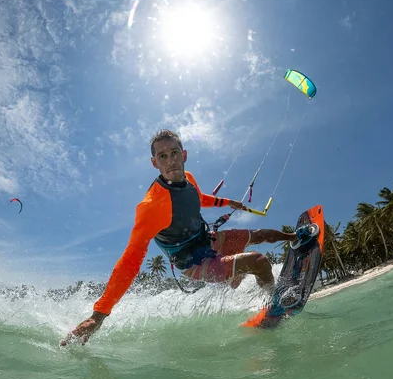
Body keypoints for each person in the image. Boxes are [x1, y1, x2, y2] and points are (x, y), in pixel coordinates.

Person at [60, 129, 304, 346]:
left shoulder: (190, 179)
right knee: (258, 261)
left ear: (184, 155)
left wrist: (227, 202)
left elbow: (199, 198)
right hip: (193, 263)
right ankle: (273, 305)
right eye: (163, 156)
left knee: (259, 234)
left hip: (207, 240)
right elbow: (130, 261)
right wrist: (98, 316)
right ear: (154, 163)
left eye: (174, 152)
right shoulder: (151, 207)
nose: (171, 161)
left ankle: (294, 237)